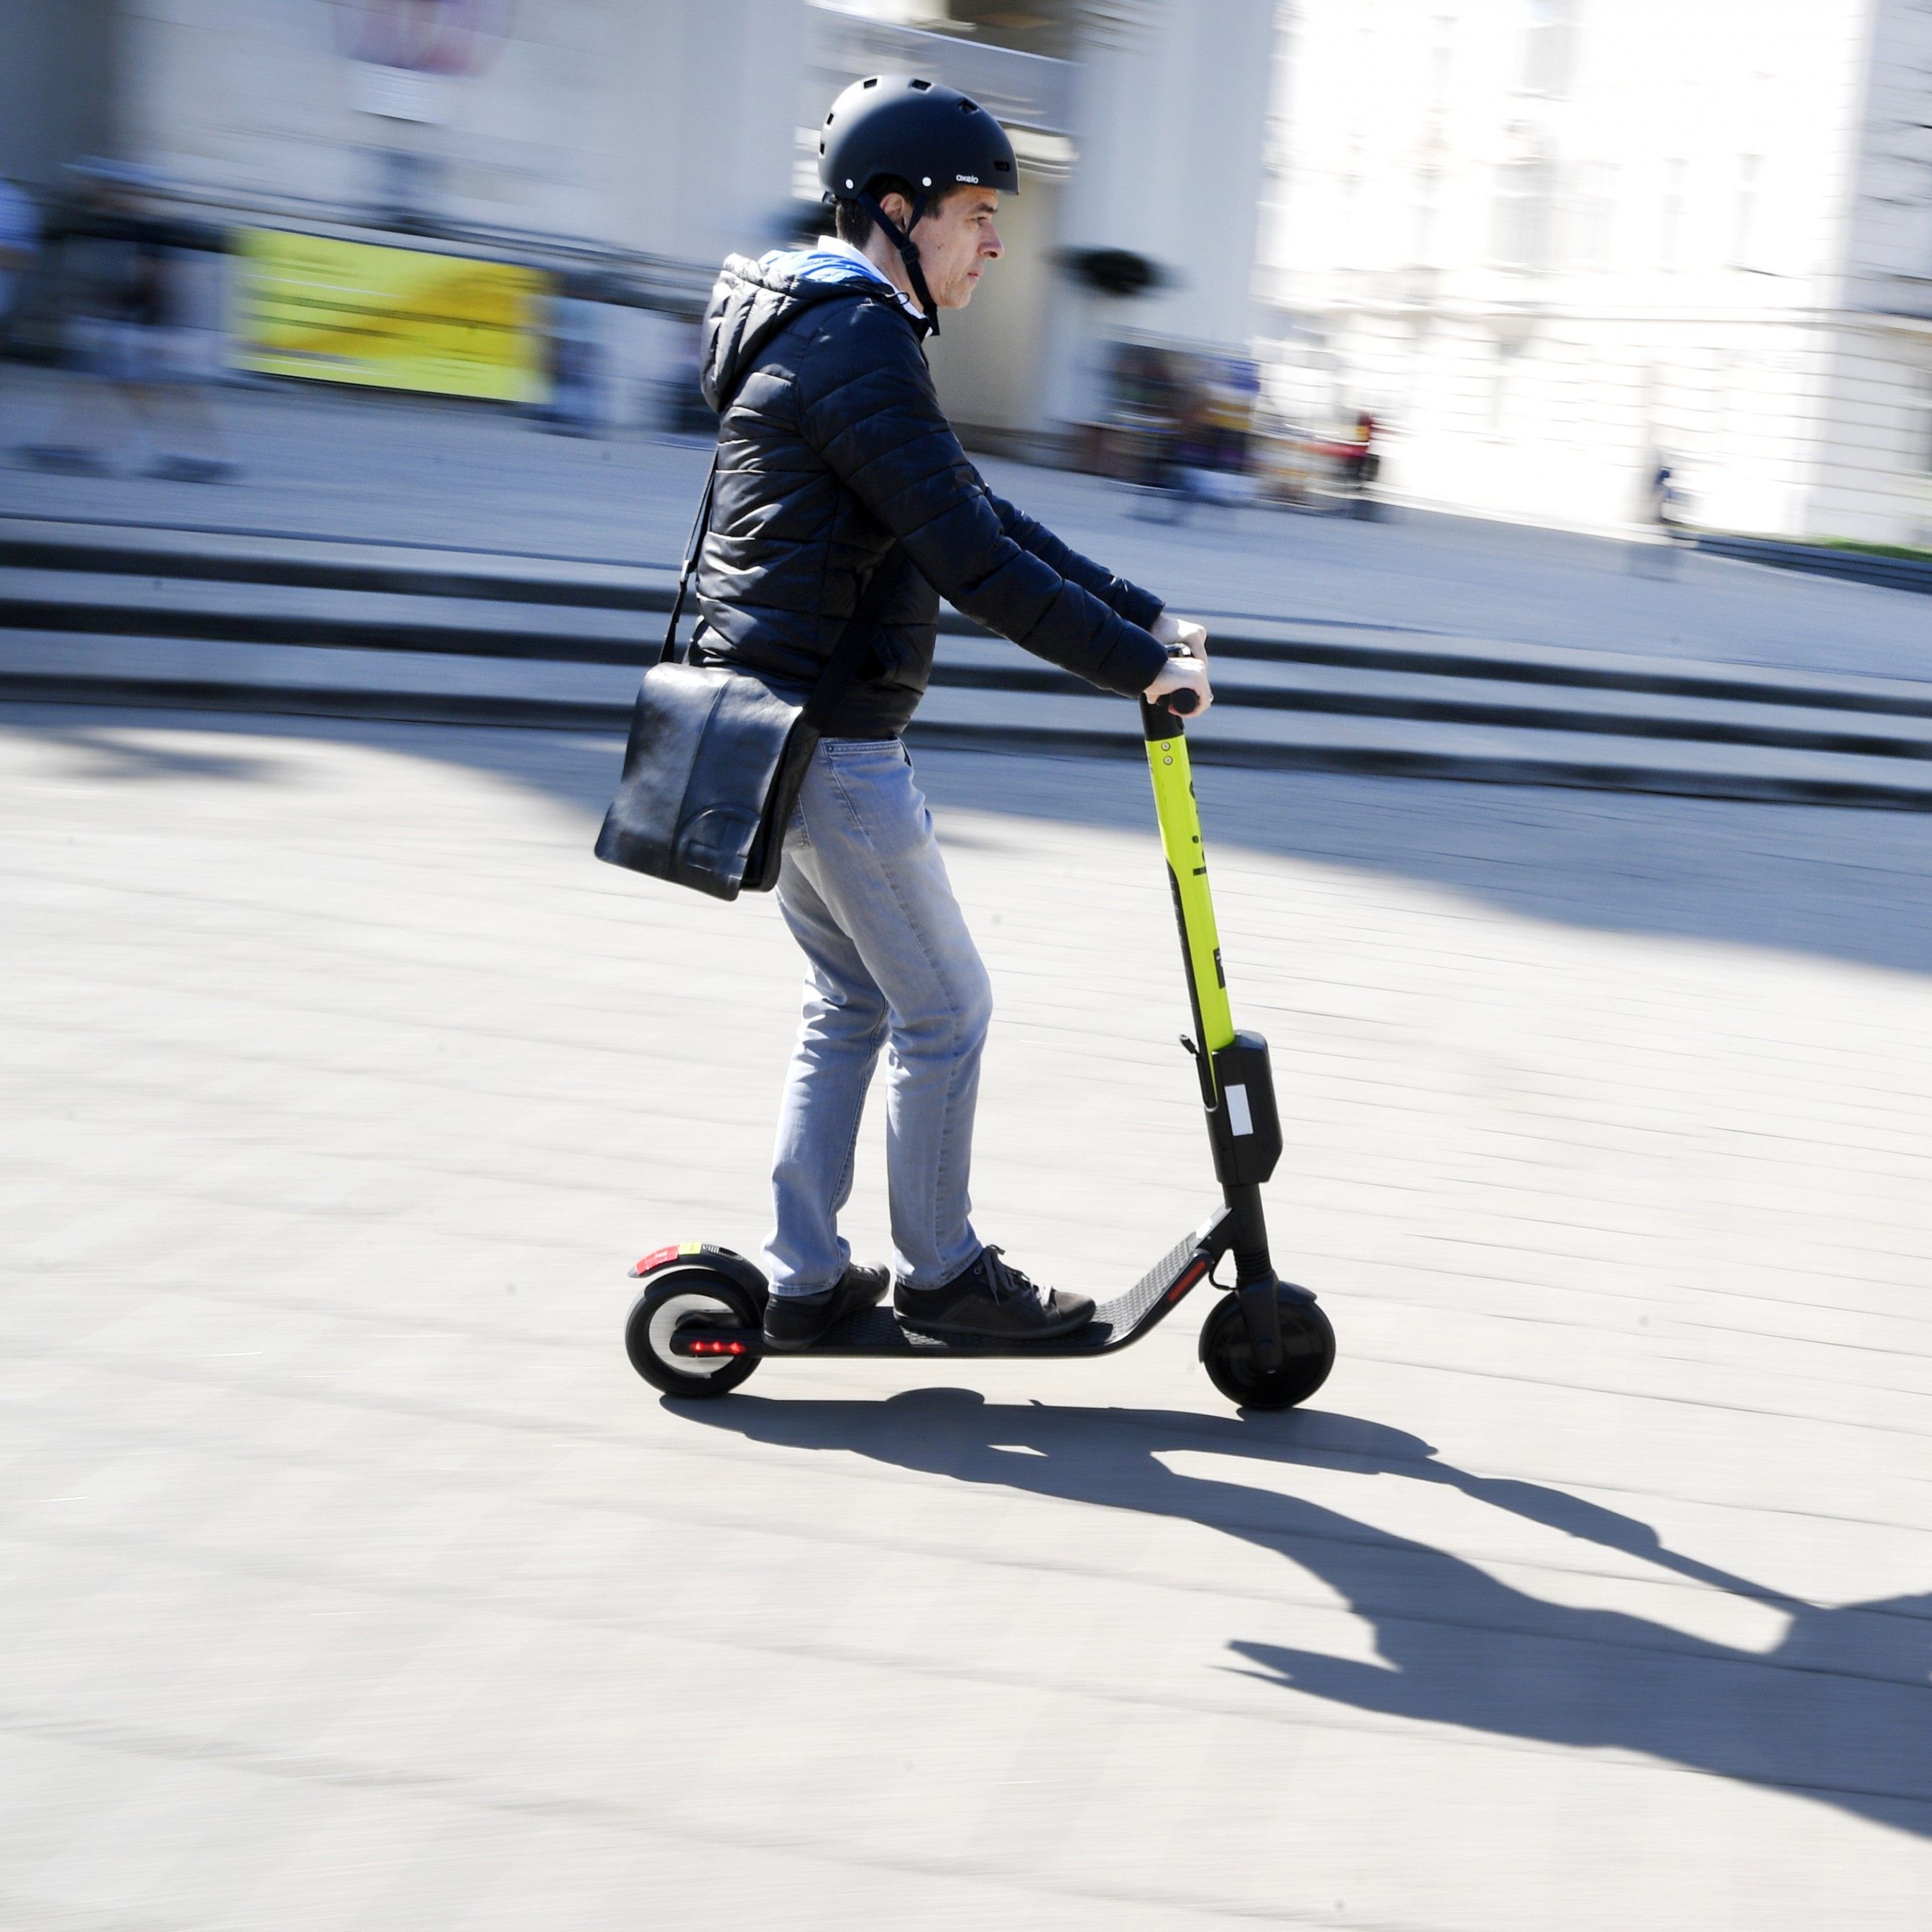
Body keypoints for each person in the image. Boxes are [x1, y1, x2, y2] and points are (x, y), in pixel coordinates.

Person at [688, 74, 1213, 1353]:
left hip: (783, 726)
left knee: (855, 1002)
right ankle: (942, 1276)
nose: (993, 244)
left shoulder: (834, 330)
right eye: (976, 214)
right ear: (895, 210)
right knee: (947, 1009)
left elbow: (973, 510)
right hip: (829, 742)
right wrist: (1137, 671)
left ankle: (807, 1274)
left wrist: (1144, 613)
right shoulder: (855, 341)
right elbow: (971, 562)